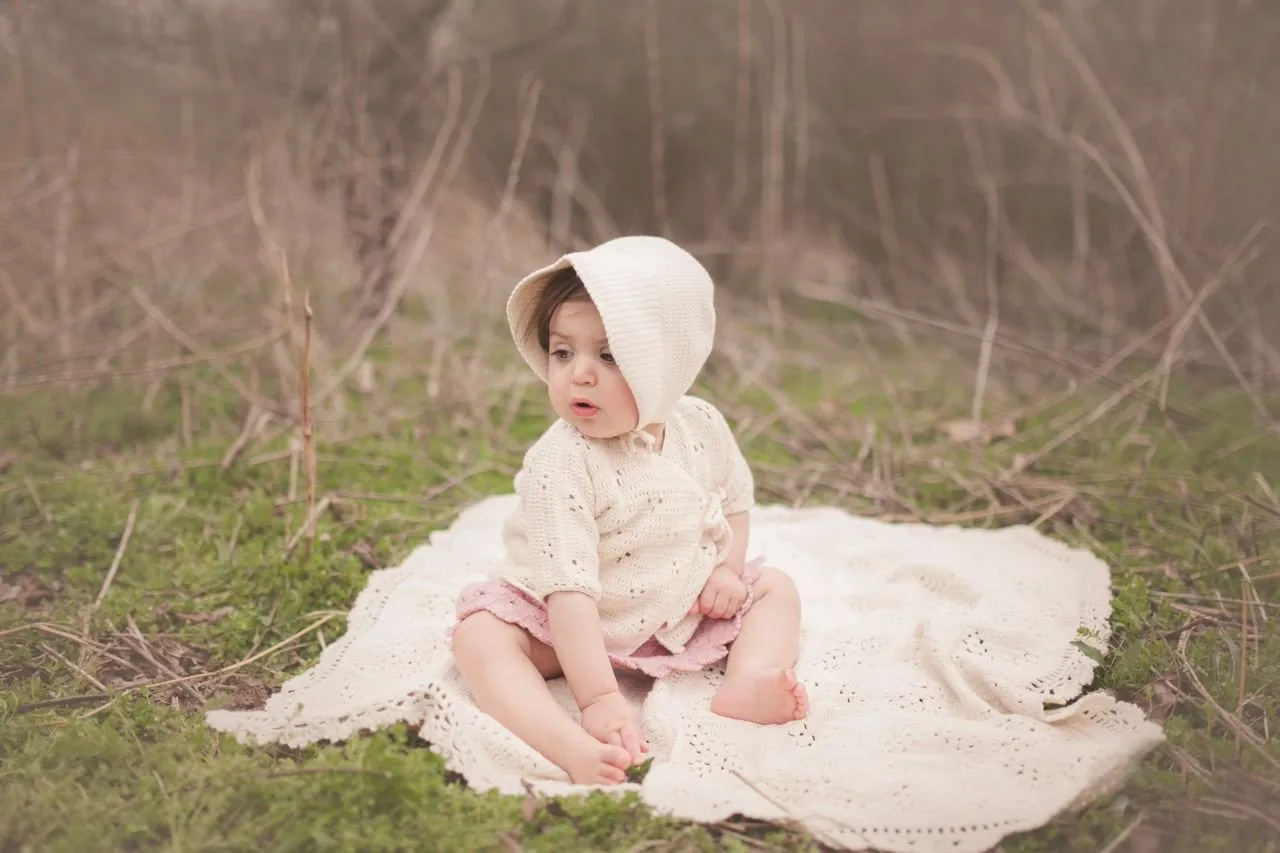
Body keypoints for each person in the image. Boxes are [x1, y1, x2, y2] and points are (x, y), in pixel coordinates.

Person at [450, 236, 807, 786]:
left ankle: (750, 679)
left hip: (676, 605)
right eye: (562, 352)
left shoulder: (701, 423)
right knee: (479, 638)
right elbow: (567, 591)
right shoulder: (560, 464)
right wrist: (596, 699)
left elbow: (734, 501)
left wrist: (727, 571)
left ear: (668, 364)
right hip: (565, 622)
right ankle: (565, 745)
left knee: (775, 587)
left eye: (610, 356)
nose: (580, 375)